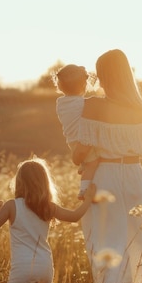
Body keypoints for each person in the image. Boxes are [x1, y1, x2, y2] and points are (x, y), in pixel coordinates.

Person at [72, 49, 142, 283]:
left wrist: (83, 155)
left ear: (103, 76)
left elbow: (80, 152)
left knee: (107, 238)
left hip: (107, 175)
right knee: (140, 238)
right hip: (136, 174)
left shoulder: (93, 106)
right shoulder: (140, 109)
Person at [0, 158, 96, 283]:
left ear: (19, 182)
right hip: (43, 266)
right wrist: (88, 199)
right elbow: (74, 216)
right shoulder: (48, 207)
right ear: (44, 182)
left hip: (22, 266)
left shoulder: (12, 205)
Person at [54, 64, 99, 199]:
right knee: (93, 164)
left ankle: (83, 165)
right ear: (84, 85)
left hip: (72, 140)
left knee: (87, 162)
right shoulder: (85, 104)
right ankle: (84, 190)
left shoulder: (60, 103)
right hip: (82, 140)